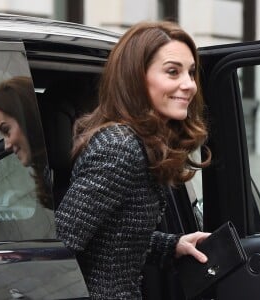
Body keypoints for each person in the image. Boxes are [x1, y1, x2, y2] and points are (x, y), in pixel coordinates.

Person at [55, 20, 212, 299]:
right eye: (173, 72)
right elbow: (62, 245)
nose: (189, 85)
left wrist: (172, 245)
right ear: (136, 78)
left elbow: (110, 238)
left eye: (190, 73)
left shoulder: (139, 143)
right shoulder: (120, 148)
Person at [0, 76, 52, 209]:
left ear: (28, 119)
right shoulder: (50, 176)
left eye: (6, 130)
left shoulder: (71, 175)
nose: (6, 146)